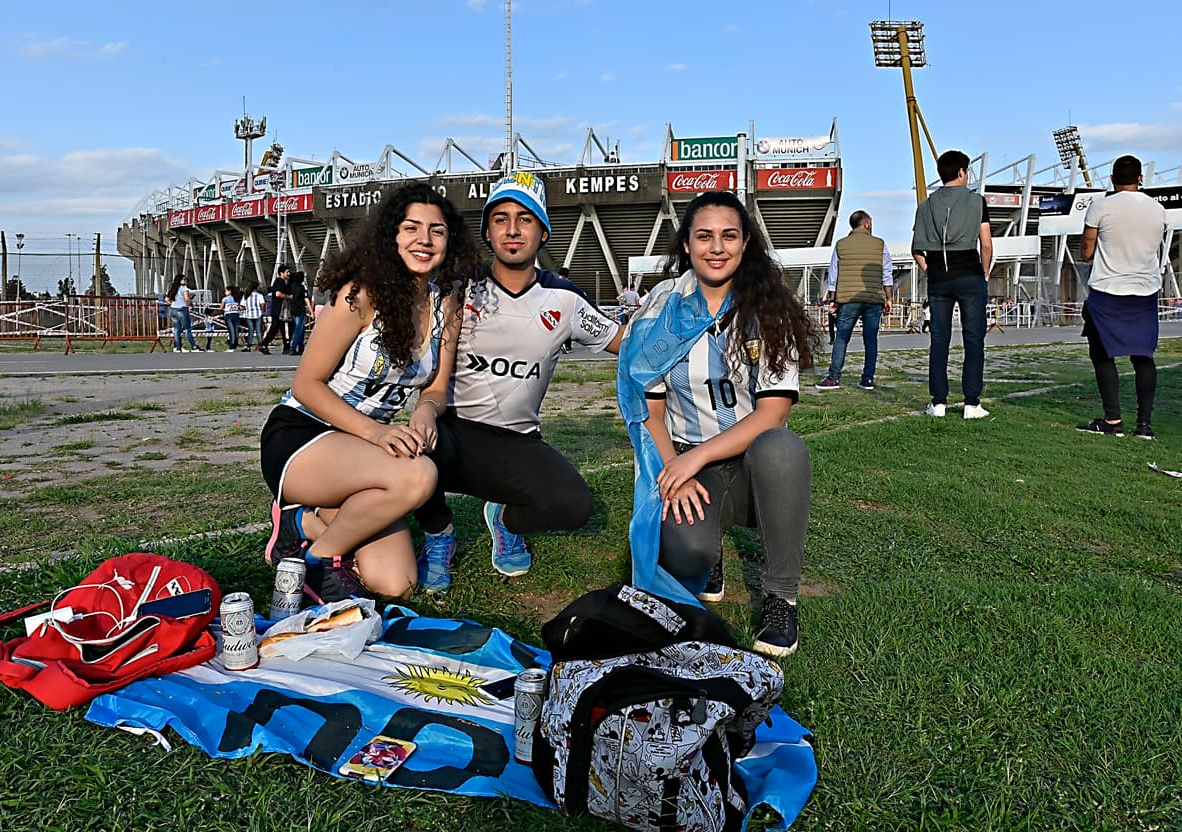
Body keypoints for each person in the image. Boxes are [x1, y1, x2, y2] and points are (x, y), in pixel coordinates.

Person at [617, 191, 816, 657]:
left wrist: (699, 458)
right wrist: (673, 467)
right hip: (689, 458)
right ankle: (711, 556)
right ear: (686, 244)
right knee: (684, 552)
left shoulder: (767, 306)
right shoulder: (662, 305)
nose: (717, 247)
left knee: (783, 449)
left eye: (729, 236)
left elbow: (774, 411)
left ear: (746, 243)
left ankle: (781, 595)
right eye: (704, 236)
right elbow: (647, 404)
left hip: (750, 464)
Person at [259, 183, 480, 601]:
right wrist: (377, 434)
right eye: (411, 227)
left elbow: (436, 387)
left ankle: (300, 525)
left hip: (359, 454)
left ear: (450, 241)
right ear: (391, 236)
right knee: (418, 475)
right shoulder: (360, 295)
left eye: (437, 231)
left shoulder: (447, 300)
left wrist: (426, 413)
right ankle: (316, 564)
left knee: (397, 583)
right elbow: (306, 385)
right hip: (304, 437)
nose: (424, 240)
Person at [412, 172, 623, 593]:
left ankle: (504, 520)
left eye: (525, 219)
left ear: (543, 232)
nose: (512, 229)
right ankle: (439, 533)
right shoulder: (457, 286)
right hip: (452, 431)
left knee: (575, 506)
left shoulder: (564, 299)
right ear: (487, 231)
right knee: (408, 453)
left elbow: (626, 344)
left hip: (517, 440)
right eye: (501, 218)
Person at [1075, 154, 1167, 439]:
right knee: (1143, 356)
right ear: (1141, 178)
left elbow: (1086, 252)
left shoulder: (1100, 206)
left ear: (1112, 179)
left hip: (1108, 290)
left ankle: (1113, 421)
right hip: (1145, 290)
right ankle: (1145, 425)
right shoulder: (1157, 209)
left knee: (1102, 354)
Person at [912, 149, 993, 419]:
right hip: (970, 273)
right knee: (973, 339)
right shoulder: (976, 201)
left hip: (939, 278)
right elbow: (986, 242)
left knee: (939, 341)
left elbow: (917, 250)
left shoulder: (926, 205)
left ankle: (938, 403)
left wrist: (931, 270)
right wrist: (984, 273)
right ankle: (972, 403)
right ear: (961, 172)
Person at [815, 210, 893, 391]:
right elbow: (886, 273)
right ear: (866, 224)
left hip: (848, 299)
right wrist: (888, 298)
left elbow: (833, 274)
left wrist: (833, 299)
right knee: (870, 339)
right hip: (874, 298)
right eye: (871, 222)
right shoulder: (880, 244)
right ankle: (867, 379)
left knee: (842, 337)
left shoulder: (841, 244)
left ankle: (833, 378)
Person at [259, 264, 292, 355]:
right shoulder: (280, 282)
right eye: (287, 272)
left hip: (277, 309)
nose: (289, 274)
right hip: (280, 310)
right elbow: (278, 294)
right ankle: (286, 347)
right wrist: (288, 297)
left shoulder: (280, 282)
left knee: (275, 328)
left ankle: (265, 344)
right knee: (283, 328)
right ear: (281, 273)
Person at [167, 273, 202, 353]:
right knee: (187, 329)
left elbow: (167, 299)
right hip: (182, 309)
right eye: (184, 279)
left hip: (173, 310)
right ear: (180, 280)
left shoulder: (174, 288)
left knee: (177, 329)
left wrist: (173, 304)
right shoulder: (184, 288)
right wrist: (191, 305)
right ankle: (194, 346)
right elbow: (187, 299)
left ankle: (177, 347)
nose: (186, 280)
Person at [285, 270, 312, 355]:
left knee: (300, 328)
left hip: (293, 310)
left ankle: (300, 346)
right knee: (299, 329)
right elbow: (306, 299)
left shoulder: (292, 286)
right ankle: (294, 347)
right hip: (300, 310)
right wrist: (311, 311)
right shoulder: (301, 288)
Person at [241, 282, 264, 351]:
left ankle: (249, 346)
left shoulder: (246, 295)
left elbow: (242, 306)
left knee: (250, 331)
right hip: (258, 314)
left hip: (249, 315)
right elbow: (262, 305)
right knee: (258, 331)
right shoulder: (259, 295)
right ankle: (260, 345)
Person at [220, 285, 242, 352]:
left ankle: (231, 346)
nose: (225, 292)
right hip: (236, 315)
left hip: (228, 315)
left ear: (230, 291)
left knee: (231, 331)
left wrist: (222, 310)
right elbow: (240, 307)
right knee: (236, 330)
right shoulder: (237, 298)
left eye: (226, 291)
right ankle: (235, 345)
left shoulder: (225, 299)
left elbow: (221, 308)